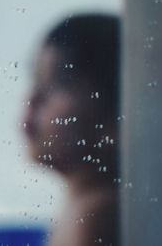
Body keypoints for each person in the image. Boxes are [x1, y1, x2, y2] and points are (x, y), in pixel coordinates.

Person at [23, 14, 122, 246]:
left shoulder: (97, 216)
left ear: (112, 120)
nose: (33, 99)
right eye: (36, 82)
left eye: (56, 84)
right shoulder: (83, 202)